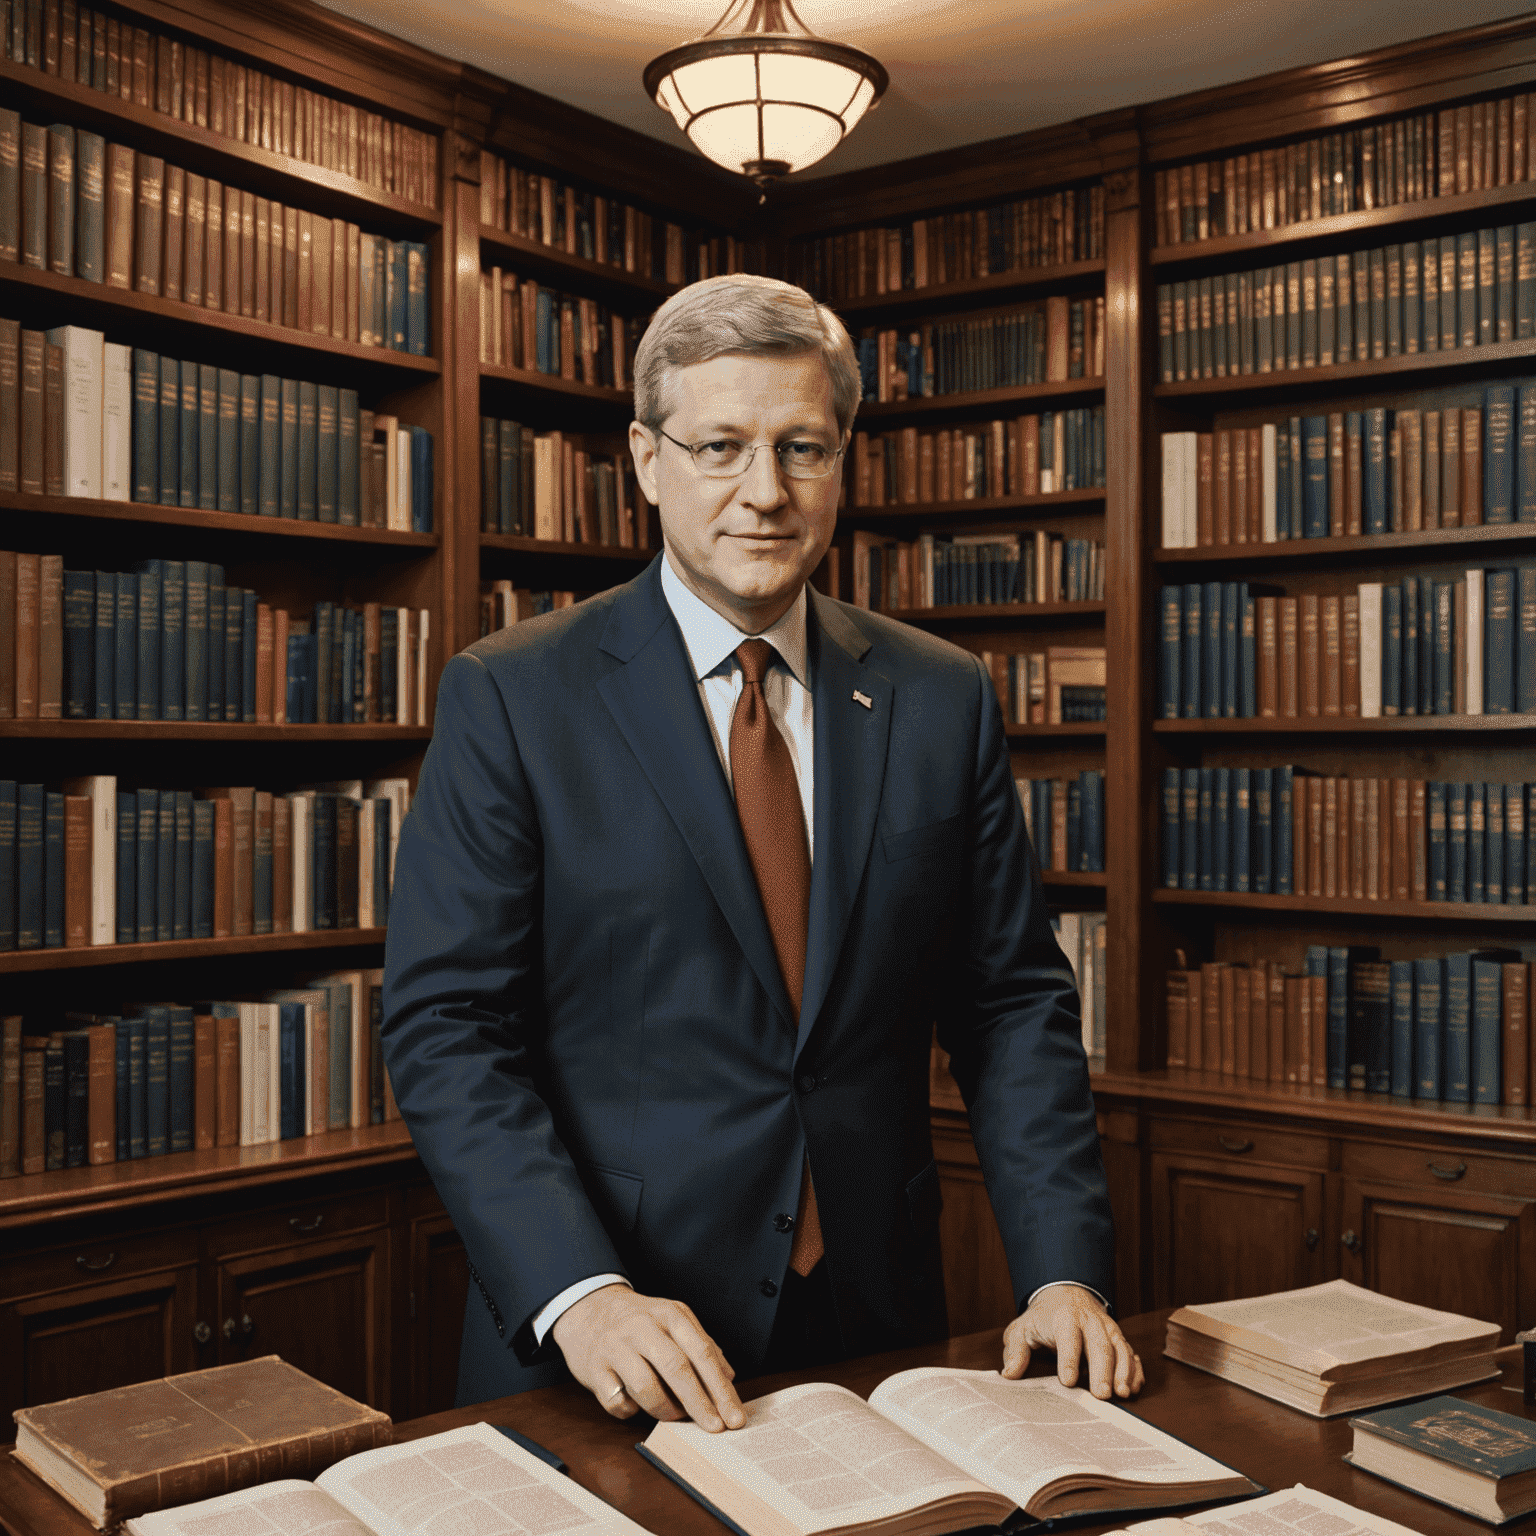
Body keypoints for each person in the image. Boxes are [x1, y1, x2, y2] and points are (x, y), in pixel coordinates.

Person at [381, 273, 1142, 1434]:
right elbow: (447, 1030)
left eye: (803, 448)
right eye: (721, 446)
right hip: (612, 1337)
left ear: (845, 459)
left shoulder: (941, 696)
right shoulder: (514, 694)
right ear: (647, 459)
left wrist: (1060, 1270)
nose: (765, 493)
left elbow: (1012, 1005)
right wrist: (582, 1296)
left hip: (875, 1318)